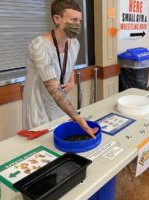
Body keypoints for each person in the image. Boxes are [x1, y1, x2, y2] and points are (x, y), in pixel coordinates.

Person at [22, 0, 98, 138]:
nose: (78, 25)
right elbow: (53, 89)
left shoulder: (74, 43)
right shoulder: (39, 46)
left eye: (79, 20)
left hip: (61, 106)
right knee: (43, 148)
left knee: (61, 140)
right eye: (74, 19)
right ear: (57, 19)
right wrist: (79, 119)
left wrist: (72, 81)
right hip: (39, 107)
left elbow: (70, 65)